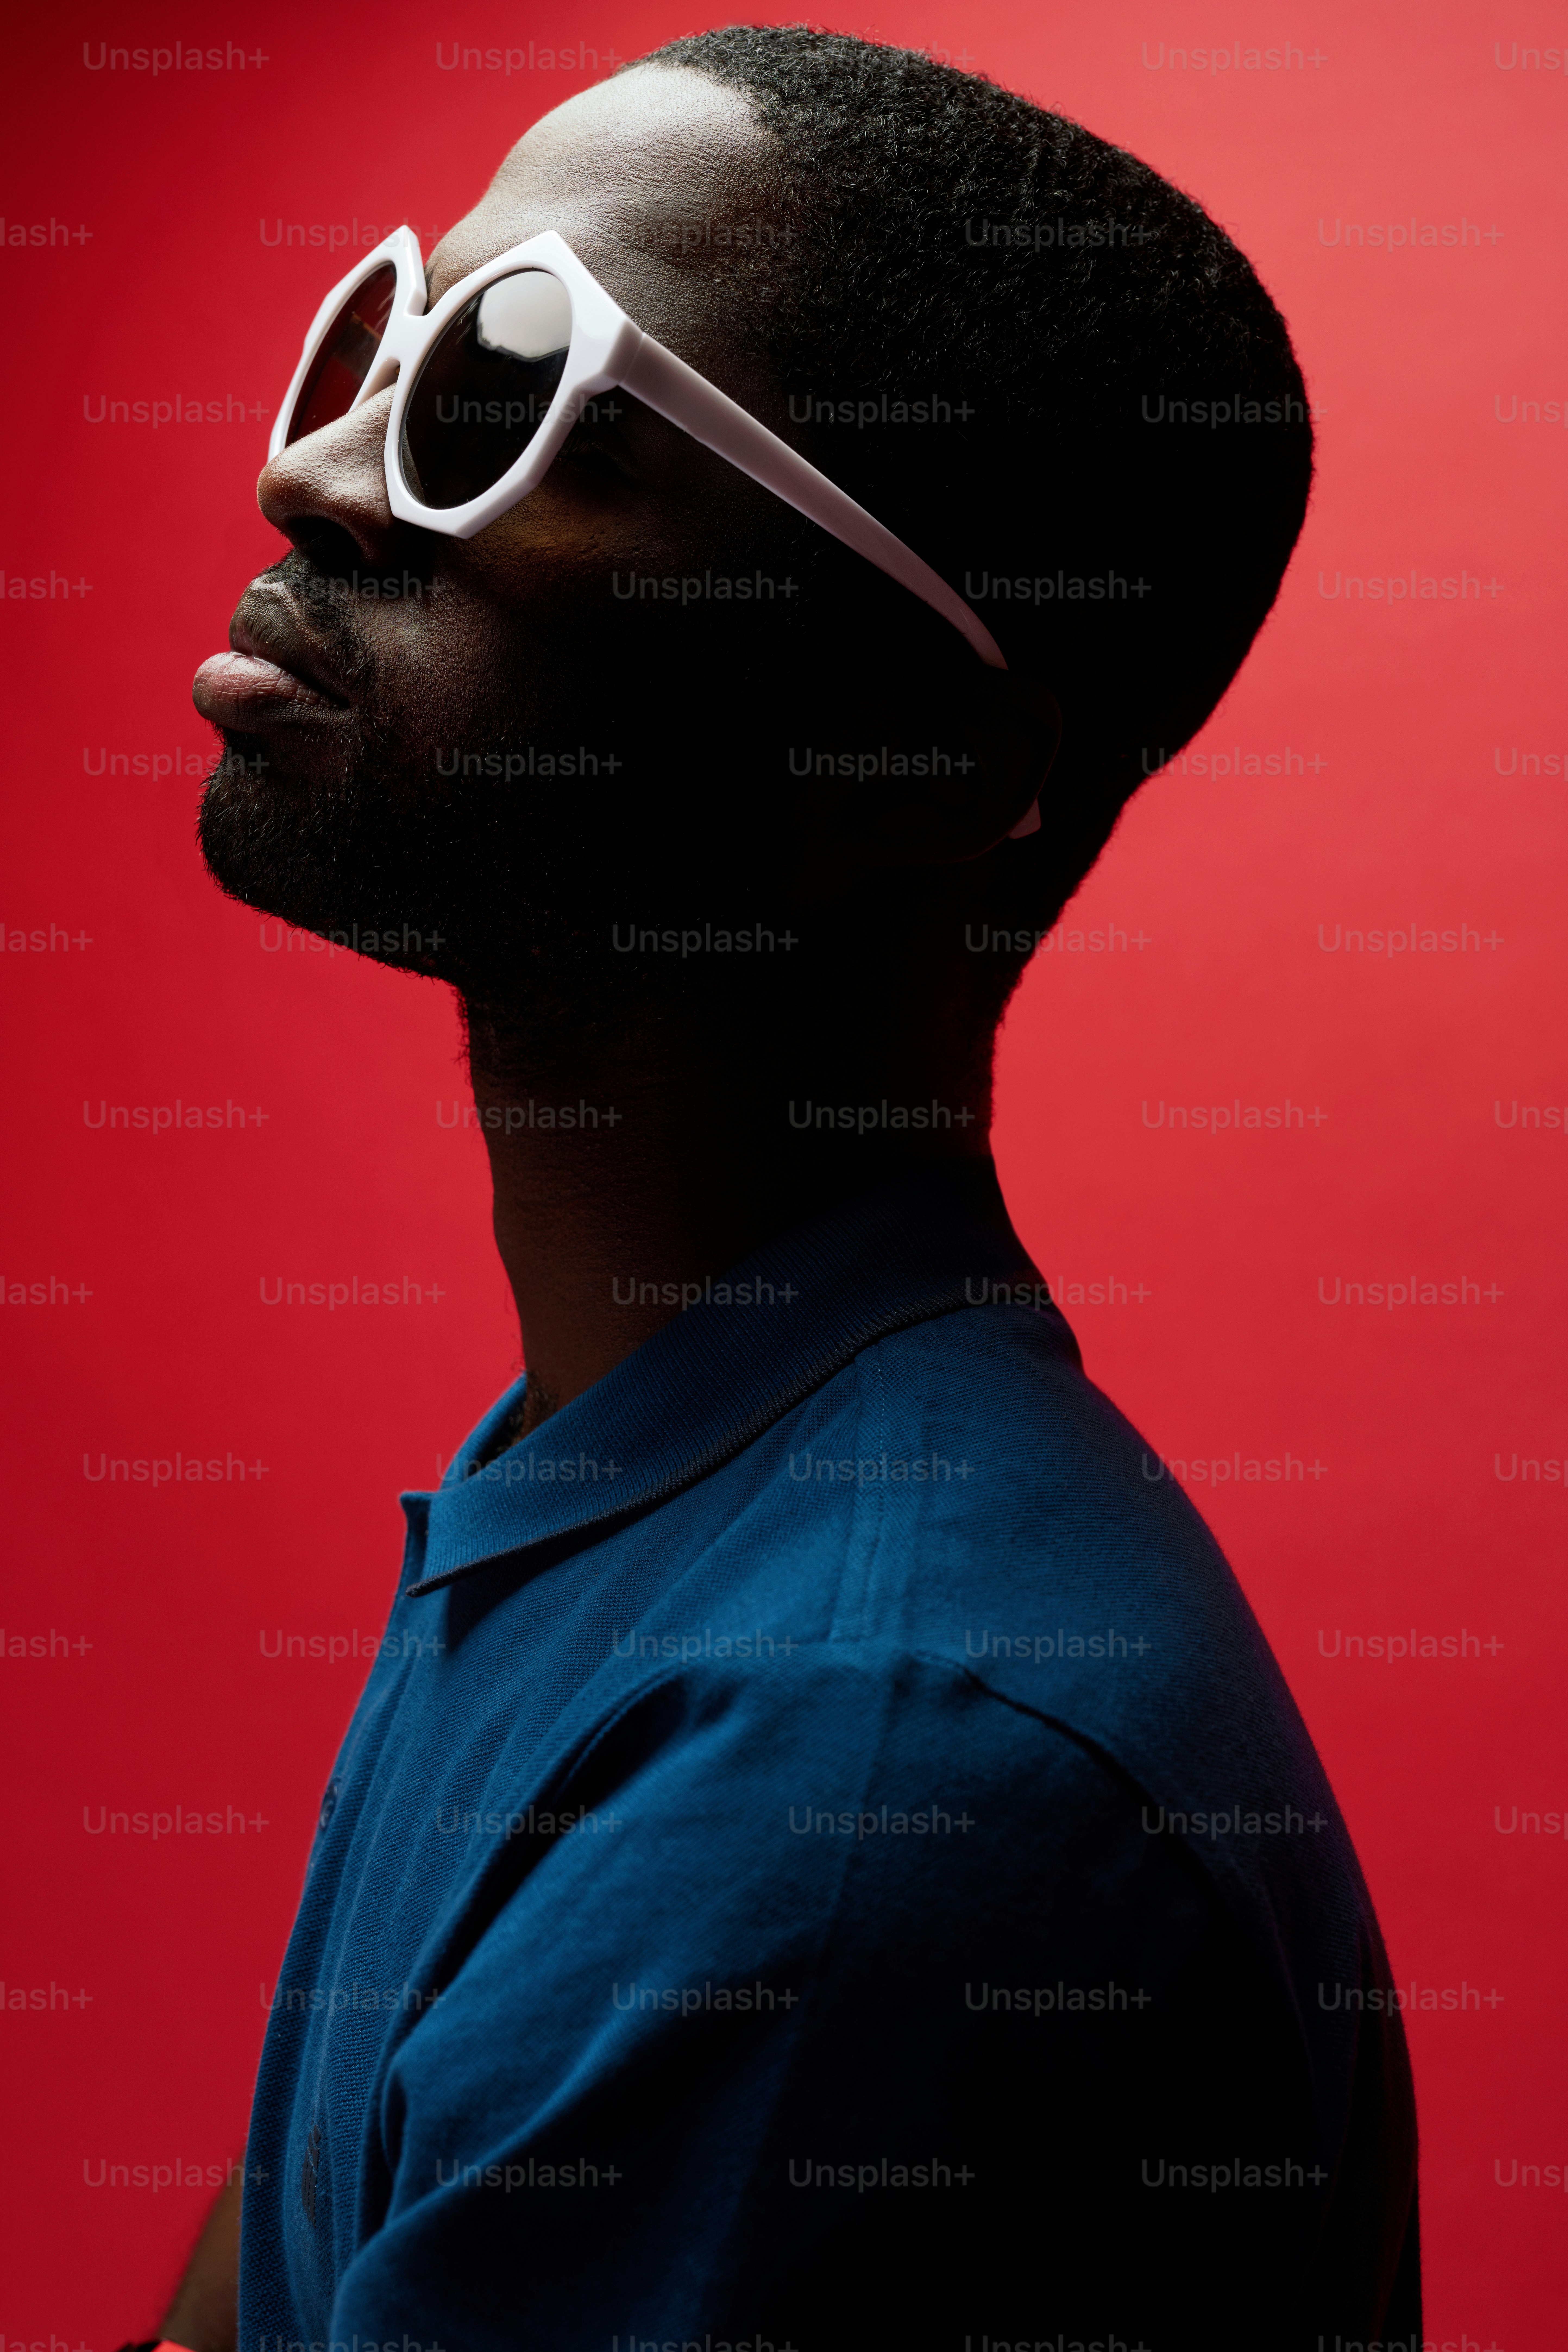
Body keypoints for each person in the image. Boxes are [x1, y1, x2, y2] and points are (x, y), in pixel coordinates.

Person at [146, 26, 1418, 2352]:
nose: (313, 469)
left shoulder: (845, 1773)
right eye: (393, 332)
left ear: (910, 754)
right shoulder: (625, 1500)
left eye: (508, 388)